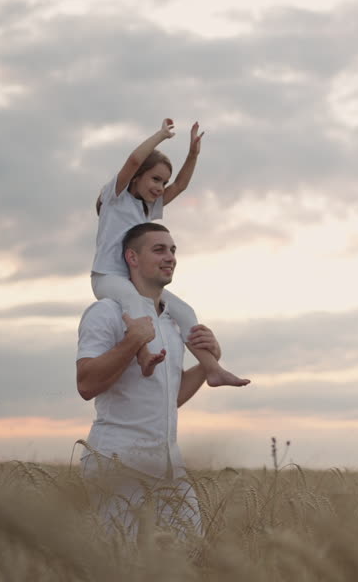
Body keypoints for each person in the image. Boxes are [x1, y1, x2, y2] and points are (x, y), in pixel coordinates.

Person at [77, 222, 231, 537]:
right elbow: (86, 385)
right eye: (159, 249)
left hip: (169, 466)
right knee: (123, 564)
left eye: (173, 250)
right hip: (117, 462)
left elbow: (169, 399)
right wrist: (133, 342)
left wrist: (206, 364)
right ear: (132, 258)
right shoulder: (106, 312)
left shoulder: (174, 322)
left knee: (188, 556)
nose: (170, 257)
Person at [91, 116, 248, 387]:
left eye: (163, 182)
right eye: (154, 179)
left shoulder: (148, 208)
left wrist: (193, 154)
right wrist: (160, 135)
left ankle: (212, 369)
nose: (160, 188)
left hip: (135, 281)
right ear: (137, 177)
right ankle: (143, 355)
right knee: (134, 301)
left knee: (185, 312)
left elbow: (181, 186)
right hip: (108, 277)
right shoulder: (116, 198)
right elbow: (132, 161)